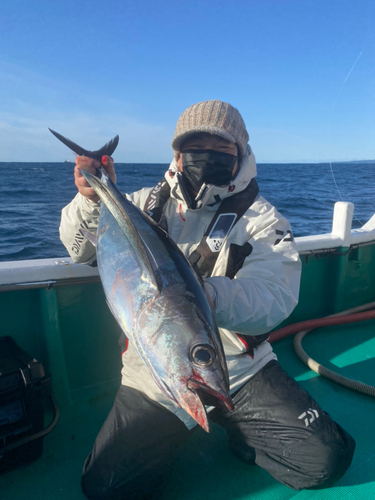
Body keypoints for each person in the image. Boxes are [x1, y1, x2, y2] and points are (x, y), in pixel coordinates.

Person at [60, 100, 355, 499]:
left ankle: (237, 432)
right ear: (177, 155)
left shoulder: (263, 219)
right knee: (106, 488)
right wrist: (90, 198)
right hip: (151, 373)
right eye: (195, 146)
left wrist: (201, 298)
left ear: (241, 154)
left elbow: (276, 296)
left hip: (237, 372)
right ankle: (176, 426)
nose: (208, 156)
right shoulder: (141, 204)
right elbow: (79, 250)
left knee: (325, 460)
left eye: (222, 148)